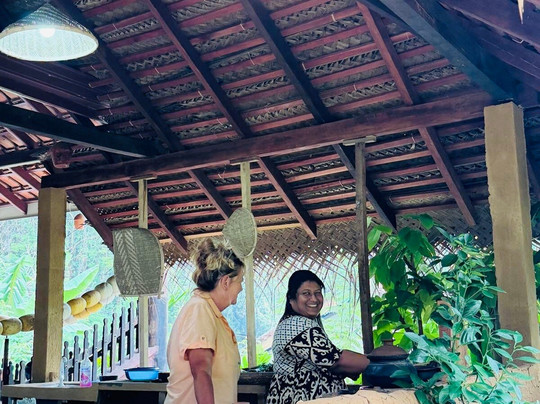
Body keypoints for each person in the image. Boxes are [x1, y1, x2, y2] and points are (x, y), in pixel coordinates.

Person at [266, 270, 370, 404]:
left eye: (317, 292)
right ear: (291, 299)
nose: (314, 299)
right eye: (306, 293)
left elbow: (328, 361)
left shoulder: (304, 323)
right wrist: (381, 364)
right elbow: (336, 360)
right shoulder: (295, 325)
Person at [165, 239, 245, 404]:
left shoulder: (210, 312)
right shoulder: (200, 309)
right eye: (240, 281)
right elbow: (201, 370)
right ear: (225, 282)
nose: (241, 288)